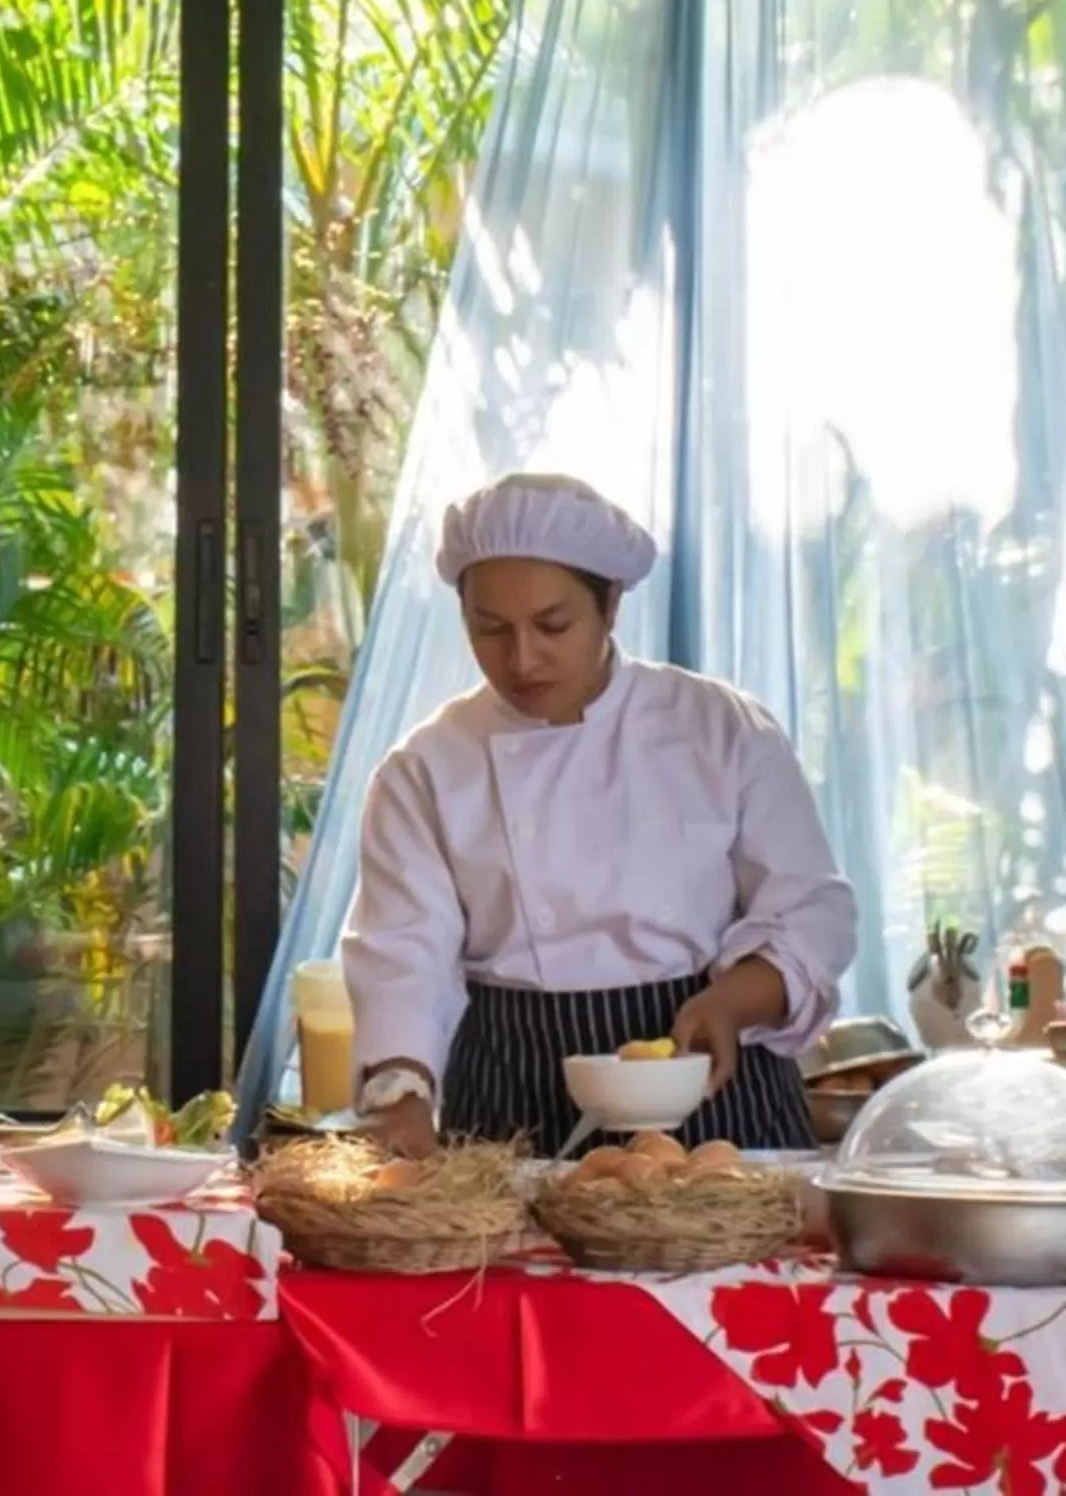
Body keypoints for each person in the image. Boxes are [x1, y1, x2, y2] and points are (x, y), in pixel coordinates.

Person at [344, 473, 856, 1157]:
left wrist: (734, 1003)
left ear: (610, 604)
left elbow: (811, 911)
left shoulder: (719, 728)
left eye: (552, 625)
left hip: (707, 1081)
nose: (522, 658)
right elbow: (404, 952)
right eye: (490, 629)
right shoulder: (426, 768)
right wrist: (398, 1095)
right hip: (512, 1097)